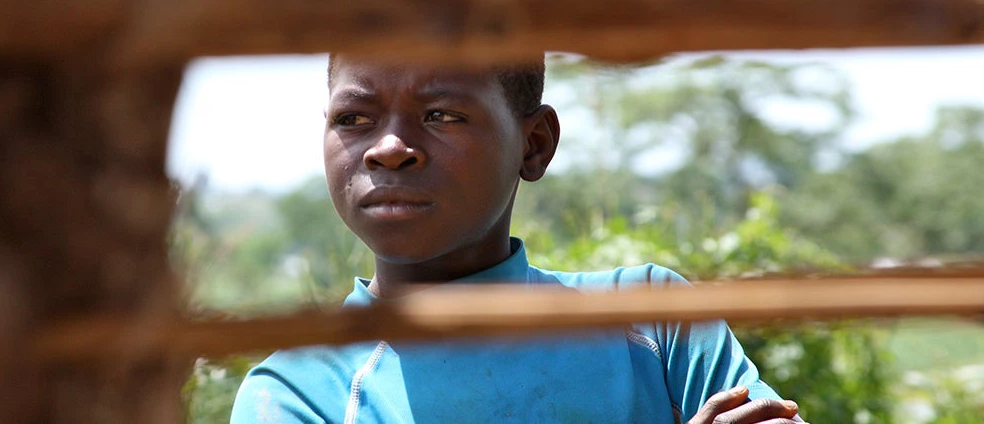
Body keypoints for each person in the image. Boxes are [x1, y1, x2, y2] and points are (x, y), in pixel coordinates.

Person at [230, 50, 805, 423]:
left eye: (441, 115)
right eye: (353, 119)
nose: (387, 148)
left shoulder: (652, 322)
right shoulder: (298, 392)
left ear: (535, 145)